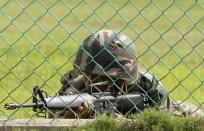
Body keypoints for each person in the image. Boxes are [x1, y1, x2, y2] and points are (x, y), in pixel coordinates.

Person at [51, 29, 202, 118]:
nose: (92, 82)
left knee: (191, 113)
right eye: (88, 74)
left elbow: (162, 122)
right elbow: (52, 119)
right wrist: (69, 120)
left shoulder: (147, 85)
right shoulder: (73, 91)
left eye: (104, 79)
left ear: (125, 78)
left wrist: (126, 125)